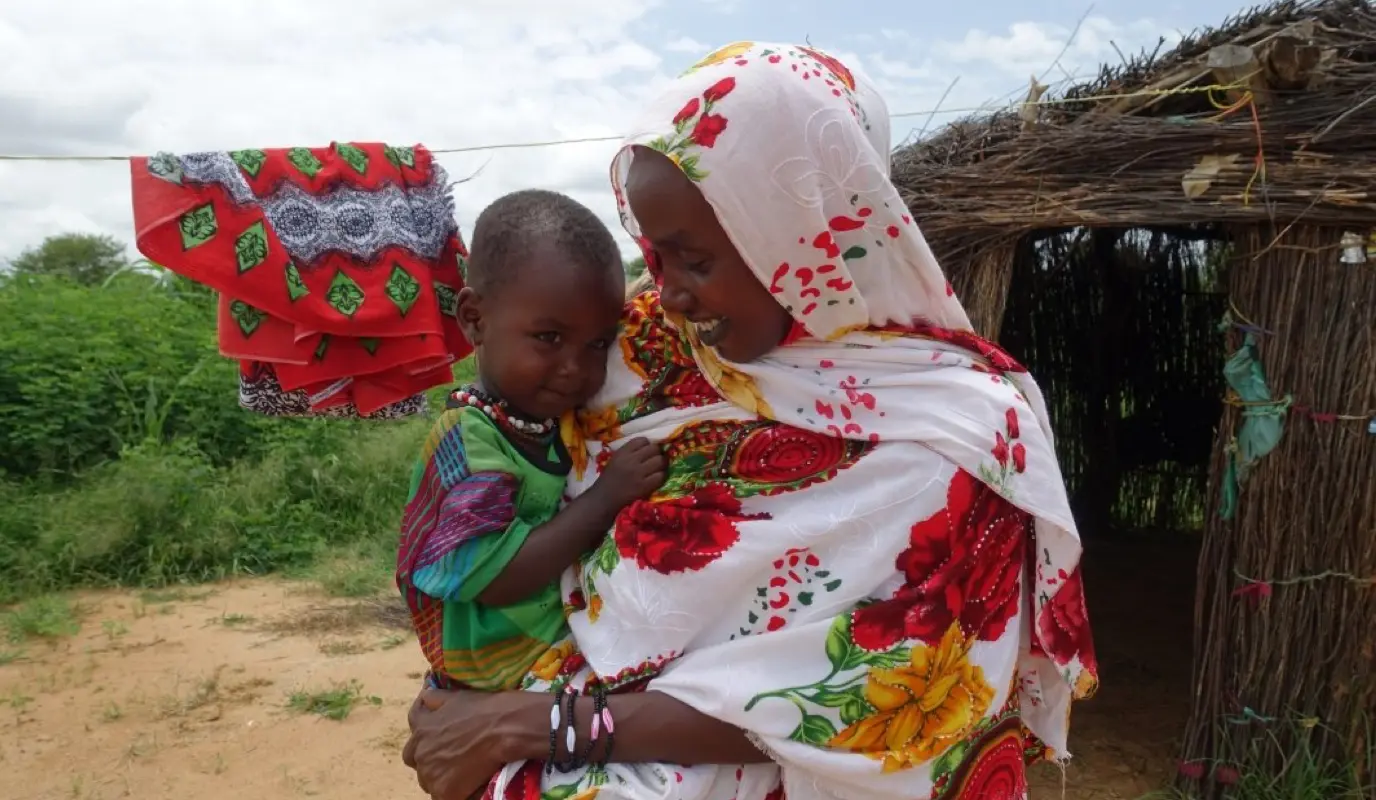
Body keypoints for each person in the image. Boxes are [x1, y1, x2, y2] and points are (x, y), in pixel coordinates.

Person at [403, 42, 1097, 800]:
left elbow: (894, 709)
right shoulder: (645, 354)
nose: (664, 293)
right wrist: (472, 698)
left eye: (693, 259)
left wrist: (536, 726)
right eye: (654, 255)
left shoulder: (964, 441)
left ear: (800, 231)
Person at [396, 189, 666, 693]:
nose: (576, 368)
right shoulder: (469, 438)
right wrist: (607, 499)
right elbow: (497, 578)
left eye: (597, 345)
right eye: (549, 338)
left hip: (554, 647)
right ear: (475, 319)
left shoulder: (552, 419)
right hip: (503, 671)